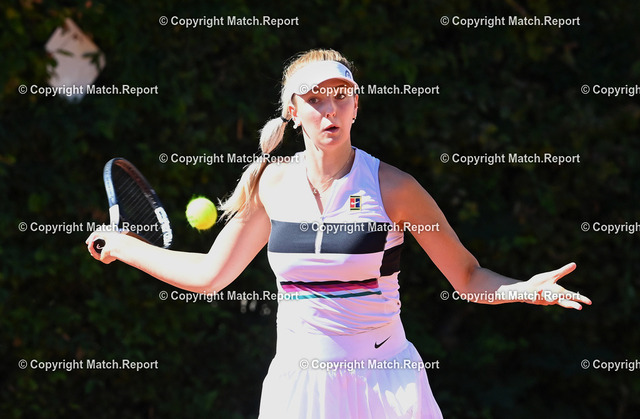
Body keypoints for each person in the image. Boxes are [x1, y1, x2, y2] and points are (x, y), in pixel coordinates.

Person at [87, 48, 591, 418]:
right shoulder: (269, 184)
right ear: (292, 111)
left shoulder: (395, 188)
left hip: (386, 382)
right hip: (299, 387)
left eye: (341, 97)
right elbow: (209, 276)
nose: (329, 109)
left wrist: (523, 289)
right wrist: (126, 246)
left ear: (356, 106)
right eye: (315, 99)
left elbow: (467, 276)